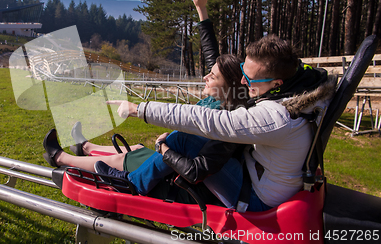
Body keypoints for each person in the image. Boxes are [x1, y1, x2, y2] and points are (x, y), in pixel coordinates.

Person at [105, 34, 337, 212]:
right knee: (192, 139)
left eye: (249, 78)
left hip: (256, 198)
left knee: (186, 137)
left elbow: (208, 121)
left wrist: (139, 109)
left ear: (276, 82)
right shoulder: (300, 83)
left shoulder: (276, 119)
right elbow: (219, 64)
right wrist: (202, 13)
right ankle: (136, 179)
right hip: (263, 177)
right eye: (243, 73)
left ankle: (133, 184)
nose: (243, 82)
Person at [43, 53, 249, 204]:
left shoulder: (226, 120)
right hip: (179, 166)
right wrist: (202, 12)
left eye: (212, 76)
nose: (205, 77)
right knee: (138, 148)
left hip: (185, 176)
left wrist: (163, 147)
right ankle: (86, 146)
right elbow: (215, 56)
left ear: (227, 85)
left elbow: (197, 166)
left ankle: (61, 158)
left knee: (124, 158)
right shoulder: (219, 104)